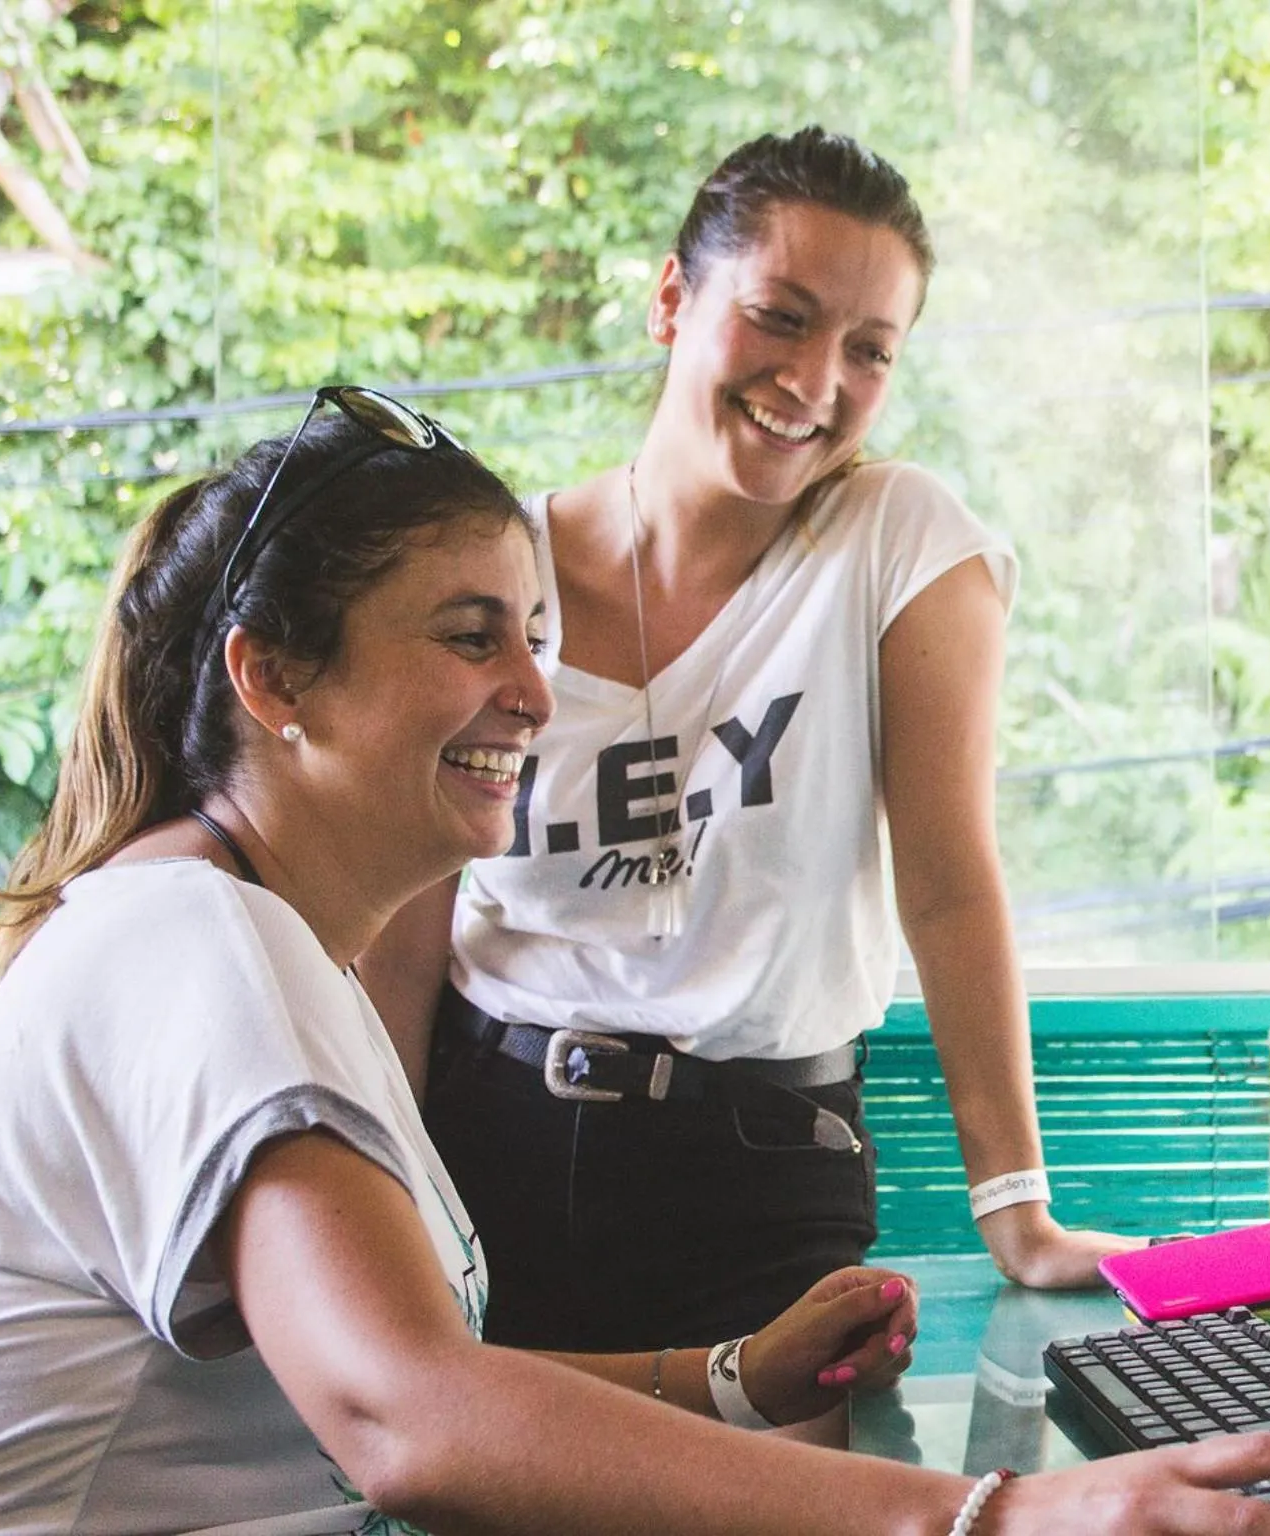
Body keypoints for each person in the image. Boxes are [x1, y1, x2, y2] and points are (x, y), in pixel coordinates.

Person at [0, 389, 1270, 1533]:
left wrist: (723, 1380)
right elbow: (405, 1424)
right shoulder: (208, 947)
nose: (534, 690)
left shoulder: (213, 924)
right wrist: (986, 1518)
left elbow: (363, 1378)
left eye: (537, 635)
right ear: (274, 679)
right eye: (469, 637)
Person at [363, 125, 1140, 1358]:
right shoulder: (488, 564)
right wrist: (384, 1188)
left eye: (868, 350)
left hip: (767, 1166)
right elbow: (405, 920)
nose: (816, 380)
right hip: (489, 1136)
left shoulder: (894, 539)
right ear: (672, 298)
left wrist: (1019, 1213)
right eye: (779, 317)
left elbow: (946, 879)